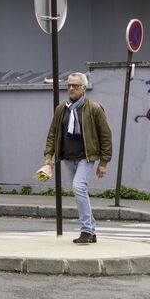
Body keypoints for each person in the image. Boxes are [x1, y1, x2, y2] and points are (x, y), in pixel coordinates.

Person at [42, 71, 112, 244]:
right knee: (80, 191)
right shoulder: (61, 109)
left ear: (84, 88)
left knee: (78, 187)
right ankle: (92, 232)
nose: (71, 88)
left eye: (75, 86)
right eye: (69, 86)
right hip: (68, 157)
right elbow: (53, 134)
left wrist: (104, 162)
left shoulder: (94, 108)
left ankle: (86, 231)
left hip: (86, 157)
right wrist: (48, 156)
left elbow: (105, 136)